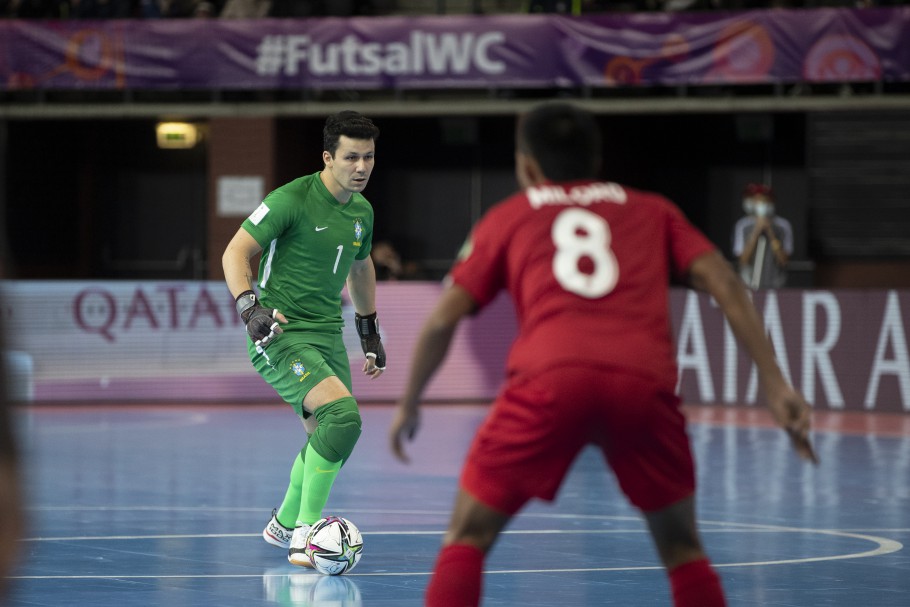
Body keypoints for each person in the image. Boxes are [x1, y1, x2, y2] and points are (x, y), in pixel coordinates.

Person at [389, 102, 817, 607]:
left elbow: (443, 318)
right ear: (596, 159)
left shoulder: (509, 216)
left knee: (466, 537)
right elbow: (724, 281)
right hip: (642, 383)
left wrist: (410, 401)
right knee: (682, 549)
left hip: (549, 381)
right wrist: (775, 384)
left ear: (527, 165)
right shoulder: (653, 209)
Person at [222, 110, 386, 568]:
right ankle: (304, 535)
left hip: (328, 333)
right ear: (327, 158)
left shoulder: (362, 211)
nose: (361, 167)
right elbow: (236, 251)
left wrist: (368, 330)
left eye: (369, 157)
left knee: (330, 437)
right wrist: (248, 307)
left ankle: (284, 522)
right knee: (342, 417)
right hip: (279, 330)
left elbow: (360, 267)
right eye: (351, 157)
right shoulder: (290, 199)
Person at [731, 183, 794, 289]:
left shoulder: (783, 226)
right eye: (757, 200)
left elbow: (784, 261)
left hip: (776, 286)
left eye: (764, 200)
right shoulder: (743, 225)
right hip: (749, 286)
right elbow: (742, 261)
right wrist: (756, 231)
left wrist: (770, 232)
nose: (761, 204)